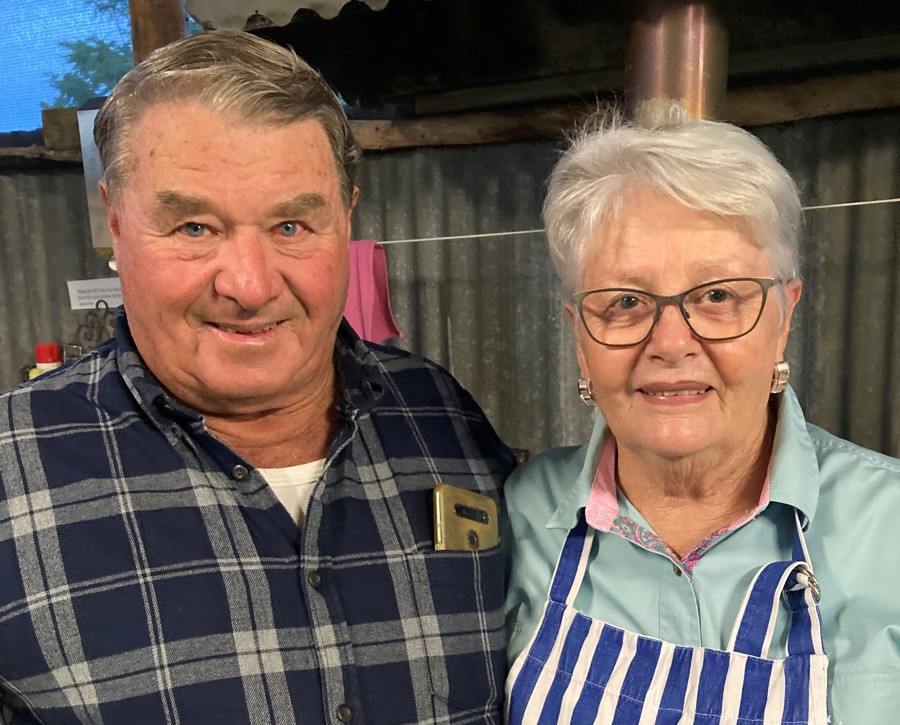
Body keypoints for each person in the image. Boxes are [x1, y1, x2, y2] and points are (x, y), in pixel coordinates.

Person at [0, 31, 515, 724]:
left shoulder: (445, 420)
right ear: (116, 225)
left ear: (346, 217)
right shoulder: (12, 470)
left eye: (292, 225)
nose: (248, 285)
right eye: (193, 228)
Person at [504, 115, 900, 723]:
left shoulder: (888, 527)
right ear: (580, 336)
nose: (670, 343)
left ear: (784, 317)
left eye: (718, 295)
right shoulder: (519, 517)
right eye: (625, 302)